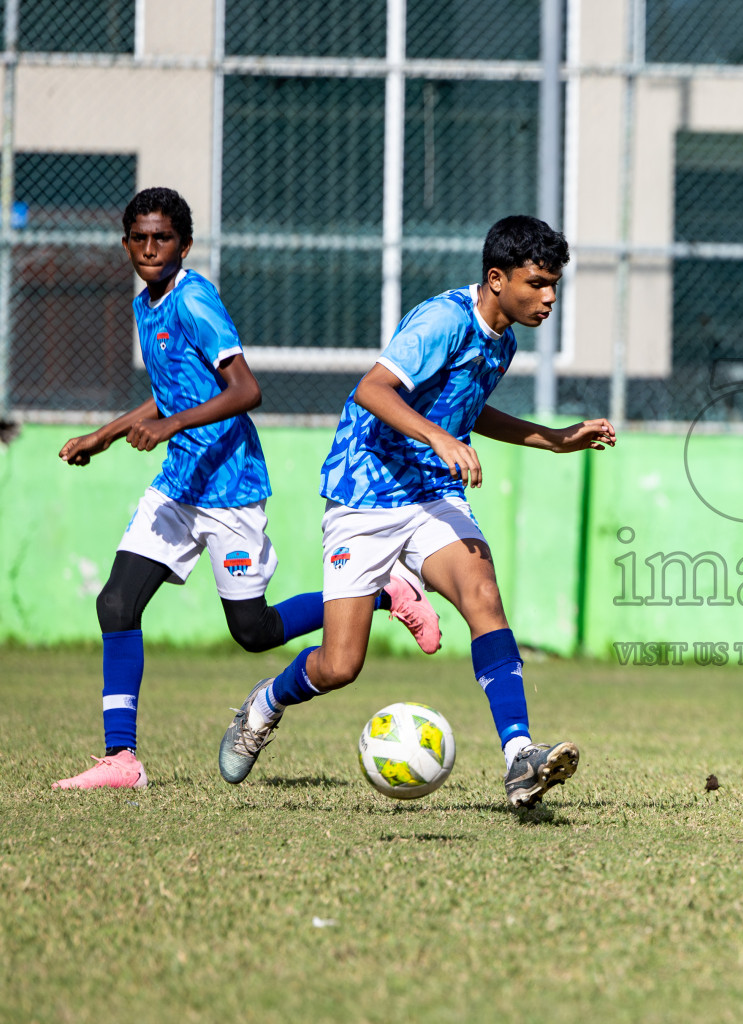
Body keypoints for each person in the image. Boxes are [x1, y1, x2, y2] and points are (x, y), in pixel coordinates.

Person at [216, 215, 617, 810]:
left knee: (482, 595)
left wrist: (552, 438)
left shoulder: (501, 338)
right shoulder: (443, 320)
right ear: (497, 278)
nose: (550, 297)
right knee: (339, 665)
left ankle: (519, 758)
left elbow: (468, 407)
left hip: (430, 494)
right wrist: (439, 439)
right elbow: (373, 390)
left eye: (555, 283)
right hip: (364, 492)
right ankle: (266, 703)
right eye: (538, 283)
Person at [51, 187, 439, 791]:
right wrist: (109, 432)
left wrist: (166, 426)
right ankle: (121, 760)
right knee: (116, 604)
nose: (151, 248)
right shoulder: (144, 304)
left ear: (184, 244)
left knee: (253, 633)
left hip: (230, 488)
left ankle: (387, 592)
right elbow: (179, 389)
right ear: (125, 241)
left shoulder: (195, 299)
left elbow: (244, 389)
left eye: (163, 238)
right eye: (140, 237)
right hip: (178, 484)